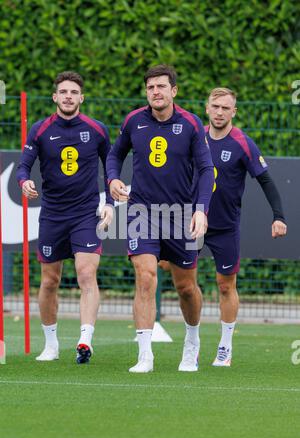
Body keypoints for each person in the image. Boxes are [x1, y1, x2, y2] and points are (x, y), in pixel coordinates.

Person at [106, 64, 215, 373]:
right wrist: (113, 179)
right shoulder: (133, 121)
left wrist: (200, 209)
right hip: (142, 211)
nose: (156, 92)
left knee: (186, 288)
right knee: (146, 277)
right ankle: (145, 355)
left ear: (173, 91)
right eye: (151, 87)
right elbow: (114, 155)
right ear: (147, 92)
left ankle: (192, 341)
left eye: (161, 87)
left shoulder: (192, 124)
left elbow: (206, 170)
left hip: (182, 214)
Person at [17, 71, 113, 364]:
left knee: (86, 273)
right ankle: (51, 344)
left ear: (81, 98)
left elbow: (111, 168)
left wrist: (109, 203)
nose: (69, 96)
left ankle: (85, 340)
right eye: (64, 92)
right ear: (55, 97)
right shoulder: (40, 129)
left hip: (85, 213)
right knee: (49, 281)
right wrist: (24, 182)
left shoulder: (96, 129)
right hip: (53, 215)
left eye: (74, 92)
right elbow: (23, 166)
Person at [203, 87, 287, 366]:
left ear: (233, 112)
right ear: (207, 108)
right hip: (192, 222)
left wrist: (278, 216)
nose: (219, 112)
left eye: (225, 108)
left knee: (226, 285)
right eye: (215, 106)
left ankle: (225, 346)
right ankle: (192, 341)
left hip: (225, 226)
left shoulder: (242, 143)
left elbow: (266, 180)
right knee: (182, 281)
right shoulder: (195, 138)